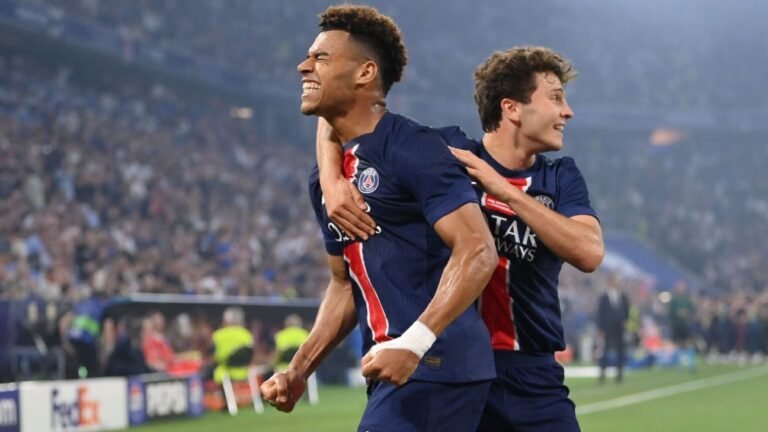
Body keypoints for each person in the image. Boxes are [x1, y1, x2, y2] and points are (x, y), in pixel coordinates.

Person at [319, 46, 604, 431]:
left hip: (534, 376)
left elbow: (589, 252)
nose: (567, 111)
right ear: (511, 108)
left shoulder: (560, 177)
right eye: (555, 98)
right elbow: (343, 115)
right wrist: (331, 178)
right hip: (453, 369)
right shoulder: (444, 152)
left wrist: (504, 191)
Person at [260, 5, 498, 432]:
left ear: (365, 72)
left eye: (321, 57)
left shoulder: (413, 147)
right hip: (395, 370)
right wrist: (299, 369)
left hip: (435, 364)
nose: (303, 66)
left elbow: (478, 249)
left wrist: (415, 343)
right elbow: (343, 284)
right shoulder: (324, 180)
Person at [596, 274, 630, 384]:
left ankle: (619, 374)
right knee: (604, 351)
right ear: (610, 282)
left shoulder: (623, 296)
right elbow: (600, 314)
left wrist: (626, 321)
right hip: (607, 328)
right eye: (615, 281)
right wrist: (600, 328)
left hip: (620, 328)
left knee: (621, 350)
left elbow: (627, 311)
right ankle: (602, 374)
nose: (618, 283)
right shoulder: (604, 297)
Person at [211, 307, 253, 384]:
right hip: (243, 374)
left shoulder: (218, 335)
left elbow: (216, 358)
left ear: (226, 320)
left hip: (224, 375)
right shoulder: (247, 335)